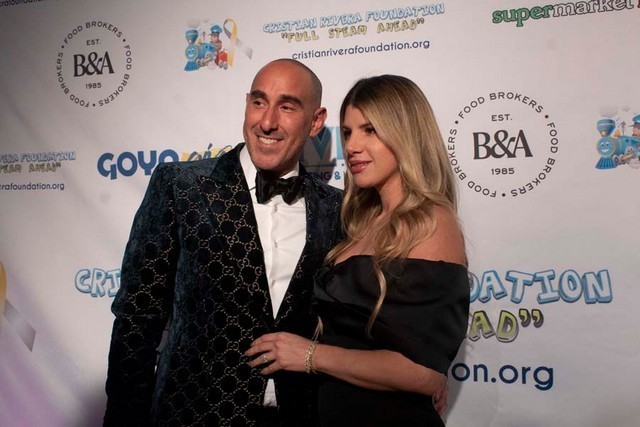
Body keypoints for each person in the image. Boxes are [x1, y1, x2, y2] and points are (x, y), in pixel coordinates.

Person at [103, 59, 343, 426]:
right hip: (191, 417)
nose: (267, 122)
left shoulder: (336, 208)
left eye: (287, 107)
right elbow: (137, 318)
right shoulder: (182, 186)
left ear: (315, 120)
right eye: (259, 102)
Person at [246, 75, 470, 426]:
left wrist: (310, 355)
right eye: (348, 132)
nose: (352, 146)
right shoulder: (360, 221)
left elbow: (422, 373)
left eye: (370, 130)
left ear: (406, 134)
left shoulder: (431, 221)